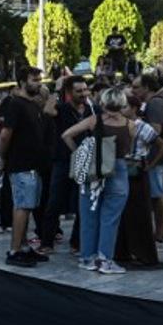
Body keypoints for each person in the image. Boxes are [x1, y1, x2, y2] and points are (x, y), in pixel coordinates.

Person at [62, 87, 135, 275]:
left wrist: (79, 153)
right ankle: (105, 259)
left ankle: (87, 257)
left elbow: (66, 135)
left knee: (88, 215)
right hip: (118, 169)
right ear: (122, 103)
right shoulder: (130, 124)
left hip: (93, 168)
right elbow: (131, 149)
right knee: (110, 218)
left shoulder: (94, 120)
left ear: (102, 102)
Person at [38, 76, 93, 252]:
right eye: (79, 91)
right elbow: (47, 110)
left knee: (81, 203)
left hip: (84, 161)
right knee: (54, 202)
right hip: (62, 161)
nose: (84, 94)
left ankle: (76, 243)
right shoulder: (62, 109)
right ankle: (47, 242)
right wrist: (57, 89)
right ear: (69, 93)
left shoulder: (92, 109)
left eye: (85, 90)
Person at [0, 67, 47, 267]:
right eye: (34, 79)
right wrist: (3, 158)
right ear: (22, 81)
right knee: (22, 206)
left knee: (28, 207)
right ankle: (14, 250)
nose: (38, 83)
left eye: (39, 79)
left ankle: (25, 246)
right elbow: (5, 135)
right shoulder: (15, 104)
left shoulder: (32, 104)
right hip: (20, 164)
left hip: (33, 164)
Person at [113, 99, 163, 269]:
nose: (121, 110)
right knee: (122, 214)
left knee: (140, 214)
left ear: (134, 108)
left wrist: (149, 166)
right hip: (121, 172)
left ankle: (144, 253)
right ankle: (123, 251)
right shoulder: (118, 124)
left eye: (124, 107)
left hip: (136, 173)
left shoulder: (142, 126)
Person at [131, 71, 163, 251]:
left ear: (147, 87)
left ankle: (159, 237)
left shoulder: (154, 104)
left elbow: (155, 132)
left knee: (158, 196)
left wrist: (138, 125)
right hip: (158, 157)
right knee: (161, 194)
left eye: (136, 87)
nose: (133, 91)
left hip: (155, 157)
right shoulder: (157, 102)